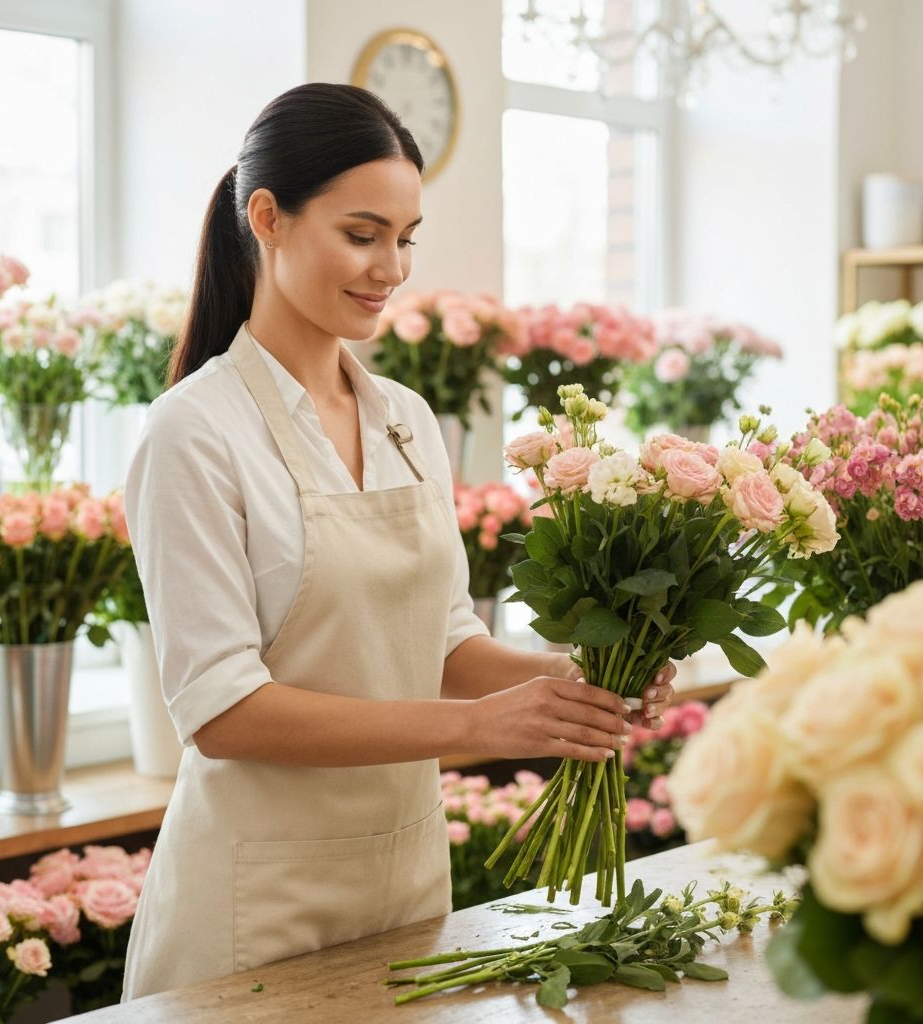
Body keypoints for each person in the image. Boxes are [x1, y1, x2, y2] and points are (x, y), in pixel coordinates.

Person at [120, 82, 676, 1000]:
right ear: (267, 217)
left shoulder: (406, 418)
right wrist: (474, 729)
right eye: (362, 233)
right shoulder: (194, 430)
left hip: (406, 885)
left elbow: (444, 638)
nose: (392, 268)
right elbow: (222, 712)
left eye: (406, 237)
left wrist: (573, 685)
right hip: (255, 905)